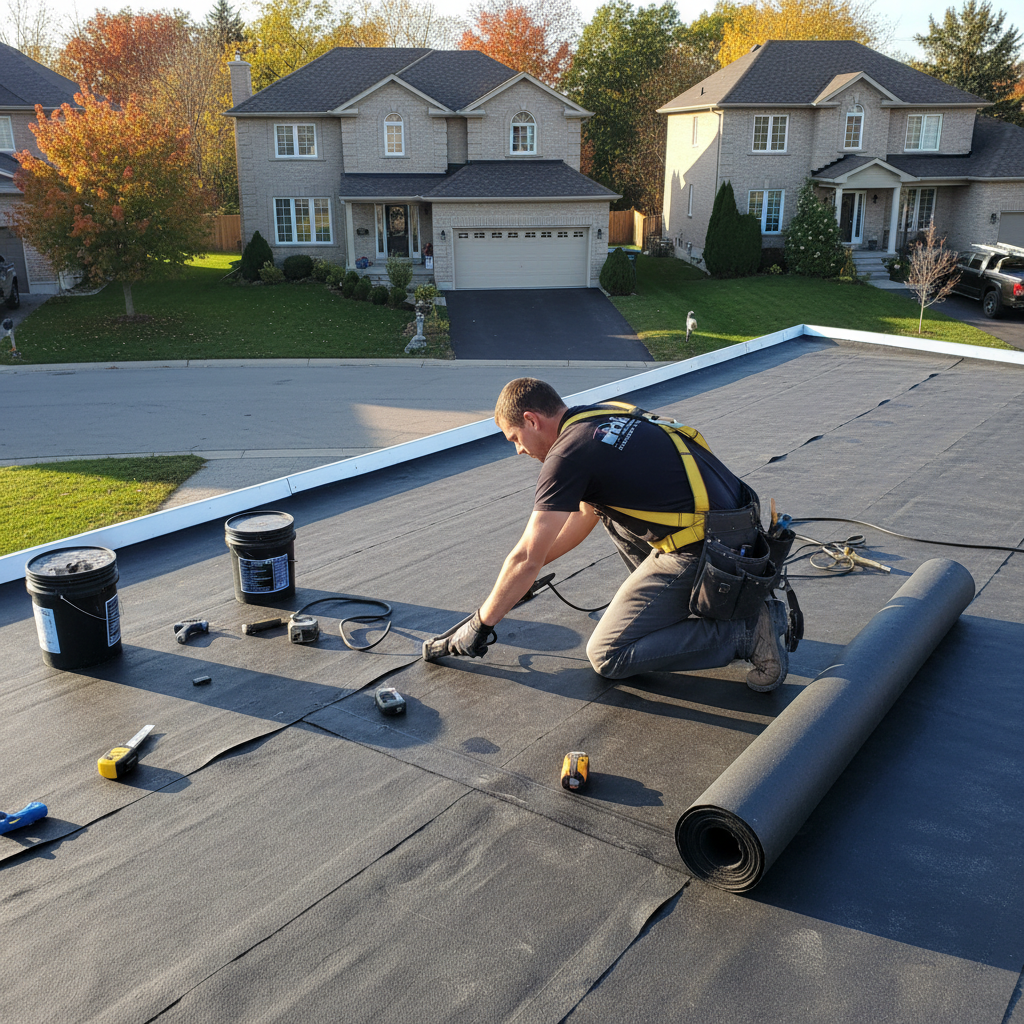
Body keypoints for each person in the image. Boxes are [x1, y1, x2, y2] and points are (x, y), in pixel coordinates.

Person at [426, 377, 790, 692]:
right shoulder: (600, 416)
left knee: (607, 654)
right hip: (737, 533)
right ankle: (691, 607)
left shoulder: (567, 456)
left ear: (531, 420)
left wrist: (480, 625)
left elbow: (524, 557)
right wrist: (522, 578)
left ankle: (746, 634)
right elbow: (586, 514)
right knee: (608, 513)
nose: (518, 449)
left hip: (706, 551)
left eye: (514, 438)